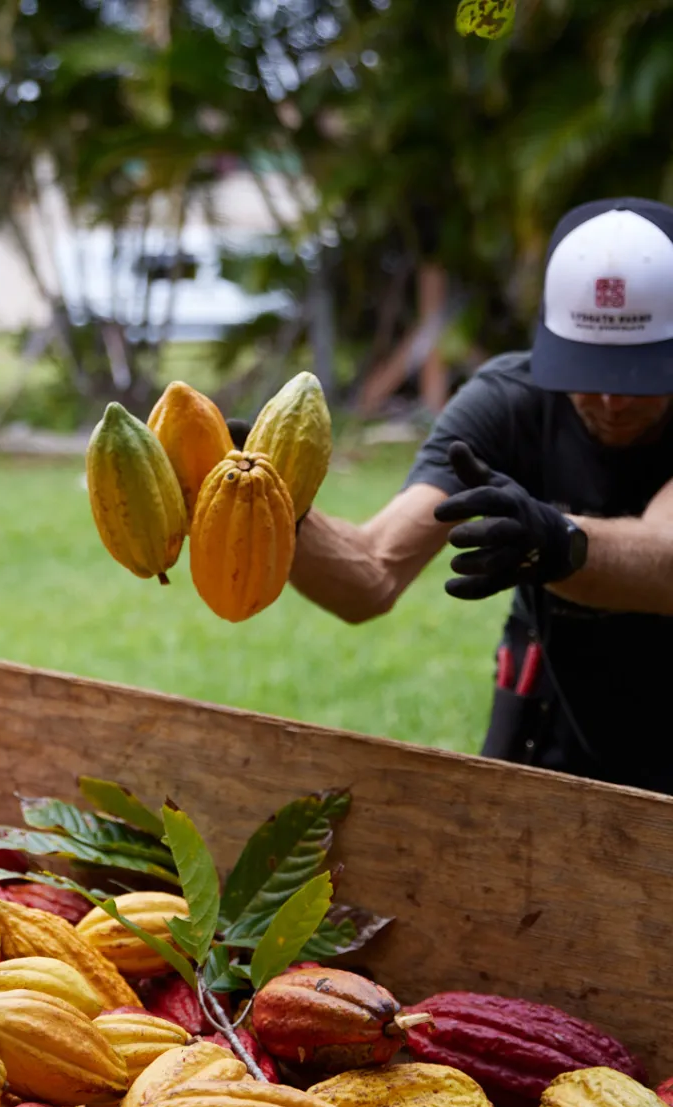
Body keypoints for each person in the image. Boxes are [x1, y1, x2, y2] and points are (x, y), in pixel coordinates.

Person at [288, 197, 673, 794]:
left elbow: (664, 560)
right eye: (587, 372)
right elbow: (370, 573)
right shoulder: (508, 403)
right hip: (550, 708)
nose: (611, 400)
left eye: (639, 376)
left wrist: (556, 542)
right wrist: (273, 511)